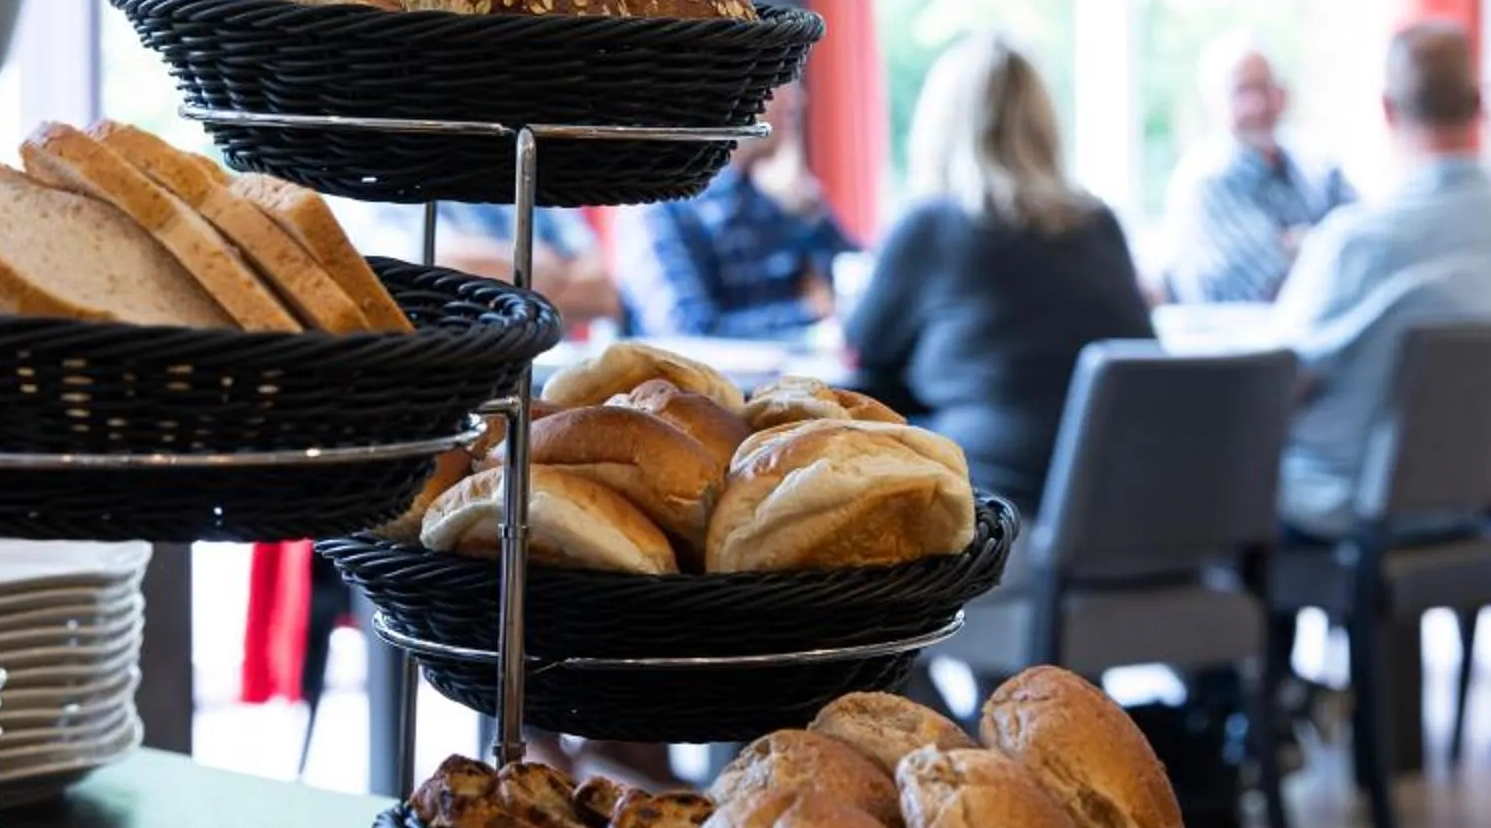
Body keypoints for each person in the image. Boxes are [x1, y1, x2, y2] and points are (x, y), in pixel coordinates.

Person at [845, 32, 1153, 516]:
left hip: (997, 519)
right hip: (1128, 514)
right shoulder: (1100, 222)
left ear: (943, 126)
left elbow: (866, 344)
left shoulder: (934, 225)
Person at [1273, 22, 1491, 537]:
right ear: (1479, 105)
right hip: (1484, 493)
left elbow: (1276, 380)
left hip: (1351, 501)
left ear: (1387, 109)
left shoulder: (1358, 240)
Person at [622, 78, 855, 337]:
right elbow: (689, 334)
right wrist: (810, 315)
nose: (796, 100)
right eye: (779, 83)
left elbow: (863, 295)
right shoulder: (660, 205)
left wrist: (814, 214)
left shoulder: (775, 200)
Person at [1159, 33, 1356, 306]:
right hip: (1231, 343)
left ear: (1284, 94)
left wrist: (1298, 245)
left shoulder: (1319, 168)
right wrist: (1326, 245)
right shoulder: (1207, 181)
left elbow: (1372, 249)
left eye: (1266, 88)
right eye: (1242, 91)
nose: (1259, 105)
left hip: (1314, 340)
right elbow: (1274, 285)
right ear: (1214, 102)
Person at [439, 202, 620, 328]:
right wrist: (540, 267)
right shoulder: (432, 187)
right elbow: (435, 267)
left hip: (548, 367)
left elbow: (603, 293)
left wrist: (504, 279)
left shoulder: (542, 186)